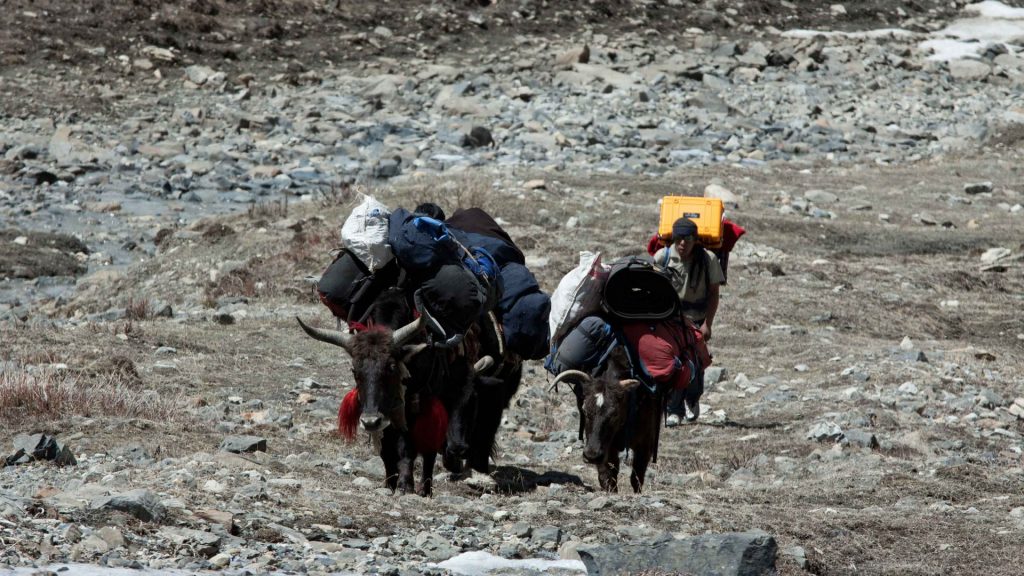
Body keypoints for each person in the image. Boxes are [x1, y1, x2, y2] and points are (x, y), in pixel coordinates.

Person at [652, 217, 725, 425]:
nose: (684, 243)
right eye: (680, 238)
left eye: (690, 239)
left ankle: (692, 398)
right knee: (674, 362)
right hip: (669, 320)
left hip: (696, 319)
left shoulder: (708, 259)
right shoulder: (662, 258)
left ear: (696, 240)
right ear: (674, 238)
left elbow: (713, 294)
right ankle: (674, 409)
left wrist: (707, 324)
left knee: (695, 362)